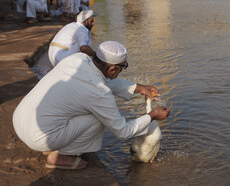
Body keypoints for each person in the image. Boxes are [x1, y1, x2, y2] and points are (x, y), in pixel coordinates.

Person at [13, 41, 170, 170]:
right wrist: (152, 115)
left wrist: (139, 87)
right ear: (112, 68)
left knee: (87, 109)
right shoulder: (99, 93)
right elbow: (122, 131)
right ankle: (62, 155)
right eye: (123, 67)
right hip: (37, 137)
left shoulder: (78, 59)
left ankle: (55, 142)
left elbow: (104, 80)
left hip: (20, 119)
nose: (122, 70)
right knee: (98, 118)